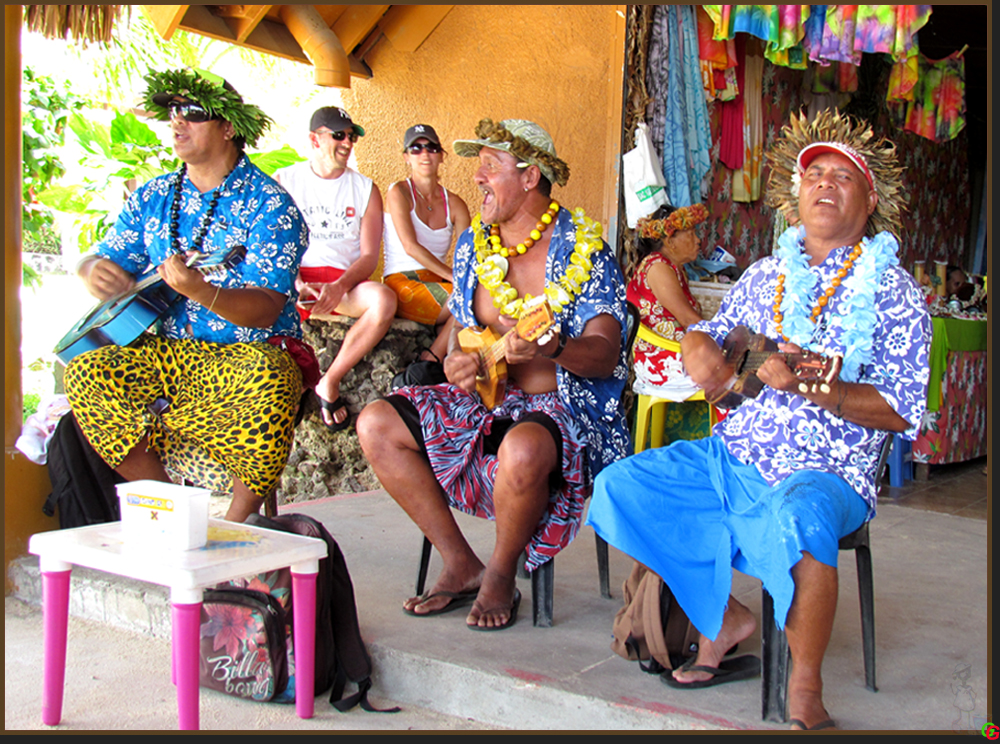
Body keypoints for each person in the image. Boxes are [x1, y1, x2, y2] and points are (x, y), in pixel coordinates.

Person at [587, 109, 930, 730]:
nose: (824, 184)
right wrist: (696, 345)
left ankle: (804, 687)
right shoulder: (764, 276)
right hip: (733, 456)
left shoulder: (894, 292)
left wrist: (818, 386)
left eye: (842, 176)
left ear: (869, 198)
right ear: (796, 195)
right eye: (814, 173)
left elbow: (903, 409)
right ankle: (726, 621)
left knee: (799, 517)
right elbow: (716, 346)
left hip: (826, 471)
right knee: (621, 486)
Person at [357, 119, 630, 630]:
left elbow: (605, 355)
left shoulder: (586, 251)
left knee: (521, 450)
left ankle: (500, 575)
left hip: (562, 410)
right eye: (477, 165)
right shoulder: (472, 246)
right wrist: (456, 362)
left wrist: (557, 346)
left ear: (529, 177)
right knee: (376, 423)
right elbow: (464, 331)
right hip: (485, 401)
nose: (477, 177)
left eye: (491, 165)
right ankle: (460, 563)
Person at [63, 68, 309, 522]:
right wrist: (93, 270)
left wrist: (201, 289)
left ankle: (239, 524)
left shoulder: (270, 204)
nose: (177, 123)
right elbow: (103, 257)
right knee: (85, 372)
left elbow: (265, 308)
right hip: (170, 352)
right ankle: (174, 512)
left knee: (272, 377)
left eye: (192, 114)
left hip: (246, 353)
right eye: (173, 113)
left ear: (229, 127)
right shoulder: (154, 195)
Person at [274, 107, 397, 431]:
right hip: (295, 282)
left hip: (343, 282)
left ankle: (330, 380)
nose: (347, 142)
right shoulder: (285, 181)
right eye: (339, 135)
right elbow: (272, 246)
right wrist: (296, 282)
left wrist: (340, 286)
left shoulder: (365, 189)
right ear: (314, 139)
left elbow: (370, 256)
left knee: (384, 300)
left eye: (351, 136)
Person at [383, 124, 471, 365]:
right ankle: (432, 357)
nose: (424, 154)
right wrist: (455, 278)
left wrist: (462, 278)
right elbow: (410, 246)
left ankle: (445, 362)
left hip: (438, 282)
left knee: (475, 295)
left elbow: (466, 255)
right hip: (401, 282)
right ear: (406, 157)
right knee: (468, 298)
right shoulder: (398, 192)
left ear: (441, 155)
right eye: (416, 148)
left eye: (431, 148)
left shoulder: (456, 204)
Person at [628, 202, 709, 396]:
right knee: (731, 376)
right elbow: (688, 319)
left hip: (678, 353)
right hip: (662, 359)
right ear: (670, 240)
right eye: (690, 234)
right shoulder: (658, 267)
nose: (698, 240)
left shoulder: (675, 268)